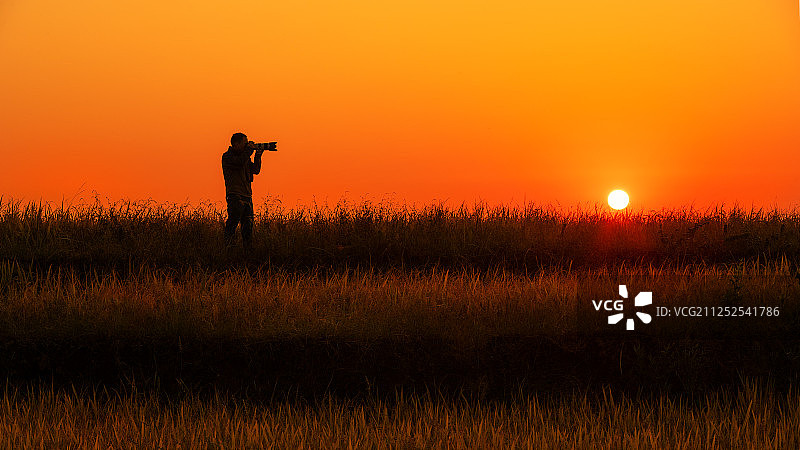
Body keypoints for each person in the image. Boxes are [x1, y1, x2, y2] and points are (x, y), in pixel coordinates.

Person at [222, 132, 264, 248]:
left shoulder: (244, 158)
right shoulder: (227, 157)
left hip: (247, 195)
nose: (247, 146)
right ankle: (228, 249)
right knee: (232, 224)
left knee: (248, 227)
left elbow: (255, 170)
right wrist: (249, 151)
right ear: (236, 144)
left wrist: (258, 156)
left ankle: (247, 252)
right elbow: (239, 162)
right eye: (245, 143)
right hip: (235, 195)